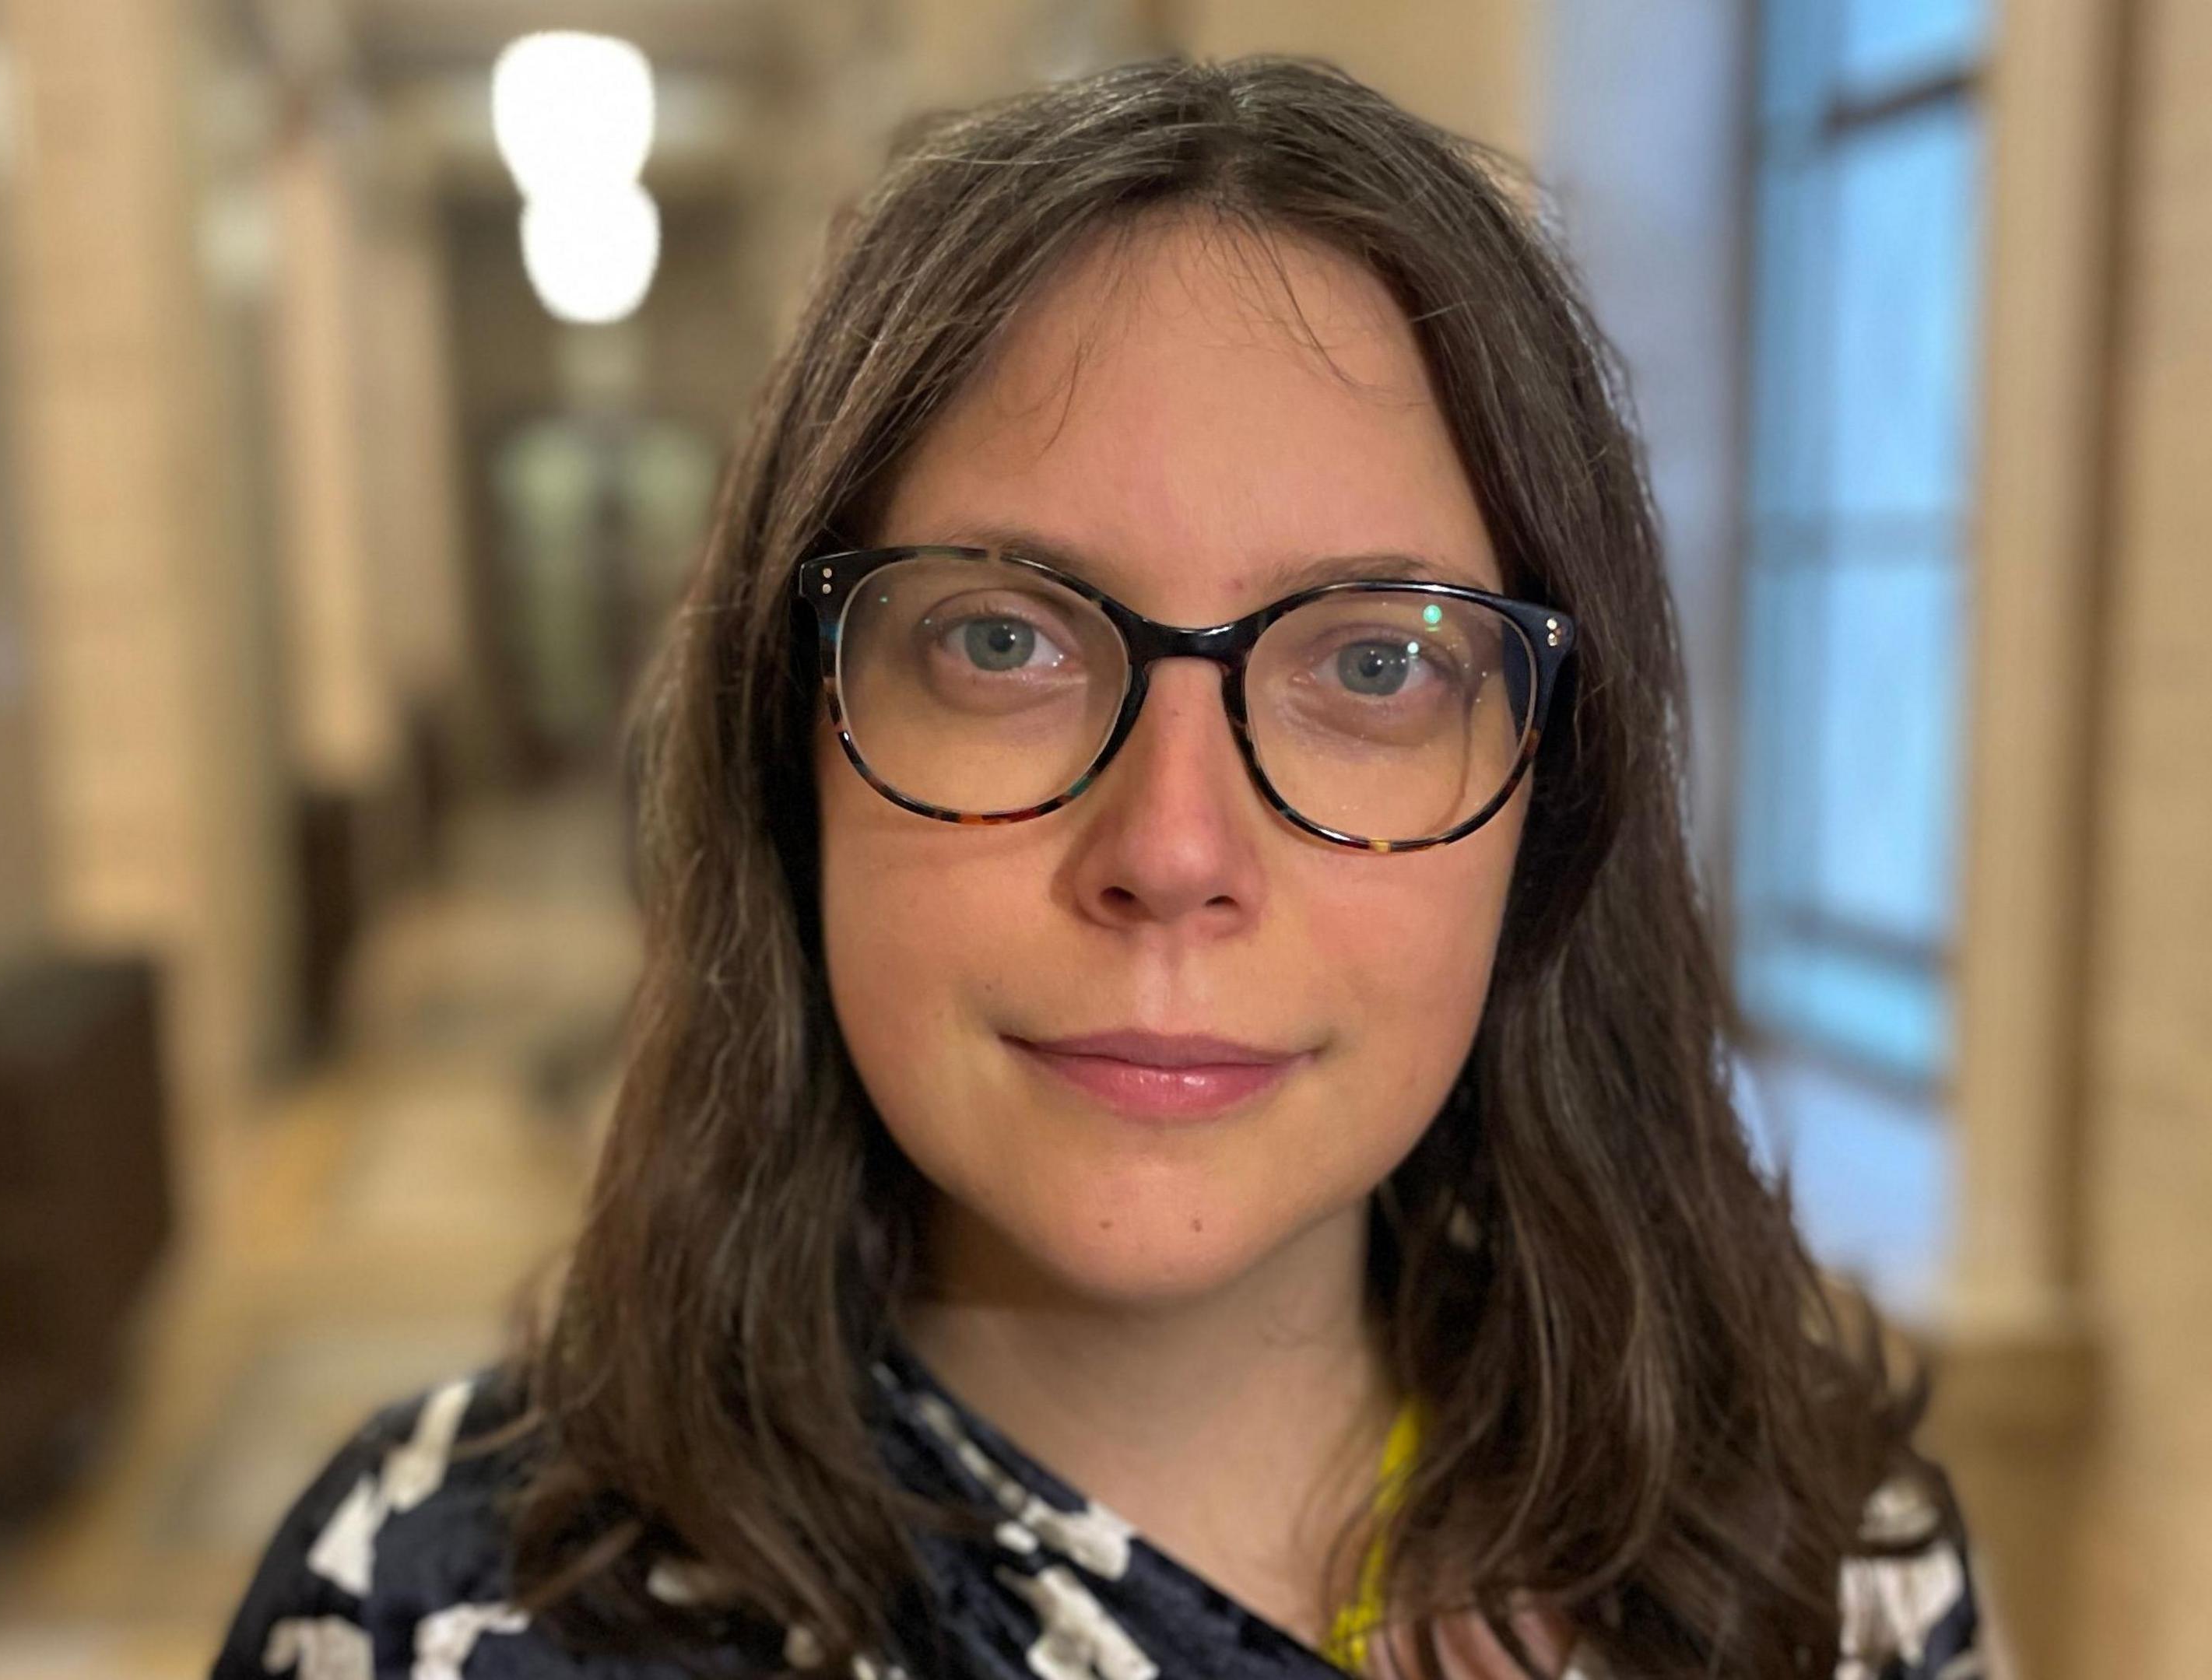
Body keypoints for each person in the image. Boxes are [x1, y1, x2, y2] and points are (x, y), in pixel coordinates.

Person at [211, 54, 1987, 1680]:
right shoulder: (444, 1619)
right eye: (1004, 644)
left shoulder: (1813, 1577)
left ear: (1554, 802)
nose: (1172, 853)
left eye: (1375, 664)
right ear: (793, 742)